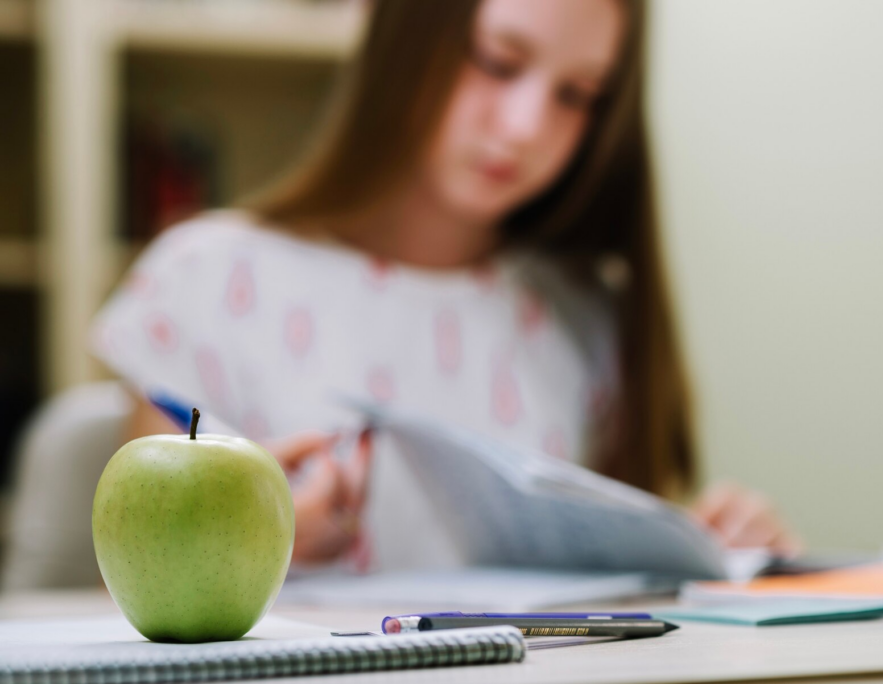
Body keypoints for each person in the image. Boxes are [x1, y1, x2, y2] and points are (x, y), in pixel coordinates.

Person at [93, 0, 799, 567]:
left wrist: (717, 554)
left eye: (578, 95)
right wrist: (253, 538)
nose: (524, 128)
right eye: (498, 61)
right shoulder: (204, 281)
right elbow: (139, 583)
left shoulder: (584, 314)